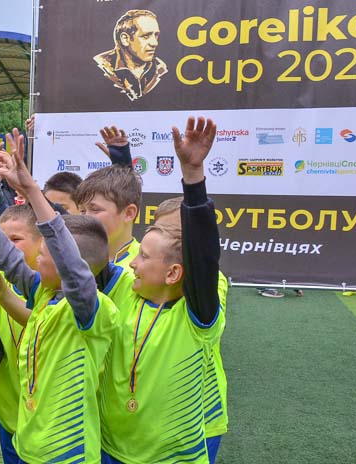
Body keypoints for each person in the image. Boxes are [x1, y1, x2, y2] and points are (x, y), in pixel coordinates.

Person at [0, 127, 118, 463]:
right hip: (28, 444)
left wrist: (33, 191)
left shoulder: (88, 309)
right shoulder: (44, 294)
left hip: (68, 455)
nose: (37, 258)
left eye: (47, 253)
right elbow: (2, 248)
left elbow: (67, 258)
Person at [97, 116, 224, 464]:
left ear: (174, 270)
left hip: (180, 441)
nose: (136, 260)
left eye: (178, 234)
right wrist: (121, 165)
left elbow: (202, 257)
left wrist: (194, 178)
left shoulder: (201, 302)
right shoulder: (129, 281)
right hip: (114, 442)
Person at [154, 195, 230, 464]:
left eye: (178, 232)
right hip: (148, 420)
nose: (172, 239)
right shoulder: (143, 271)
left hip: (199, 416)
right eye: (162, 231)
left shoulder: (212, 284)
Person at [0, 203, 42, 464]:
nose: (6, 247)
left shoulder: (56, 284)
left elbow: (40, 324)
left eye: (15, 239)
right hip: (10, 408)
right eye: (2, 240)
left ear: (42, 241)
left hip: (48, 414)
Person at [75, 164, 142, 269]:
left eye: (95, 210)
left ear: (129, 213)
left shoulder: (146, 263)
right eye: (82, 211)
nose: (85, 218)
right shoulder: (72, 258)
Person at [93, 9, 167, 101]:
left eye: (156, 35)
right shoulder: (98, 68)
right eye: (146, 36)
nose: (155, 43)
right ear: (125, 39)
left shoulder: (162, 70)